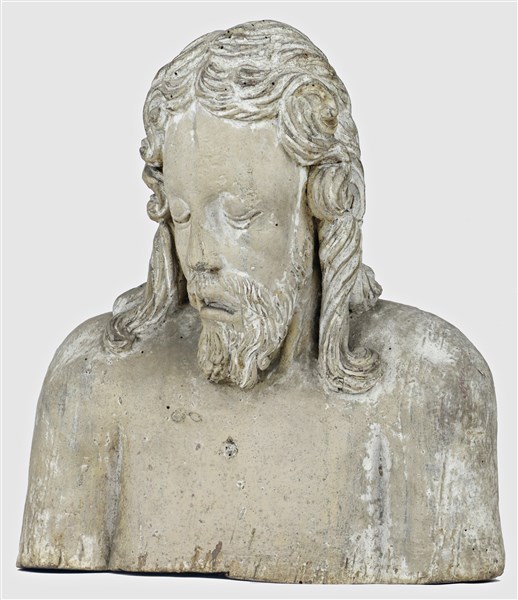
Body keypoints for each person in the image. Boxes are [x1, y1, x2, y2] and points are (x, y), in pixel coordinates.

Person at [18, 20, 504, 583]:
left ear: (323, 199)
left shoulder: (430, 388)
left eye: (240, 214)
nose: (200, 256)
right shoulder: (92, 385)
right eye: (183, 214)